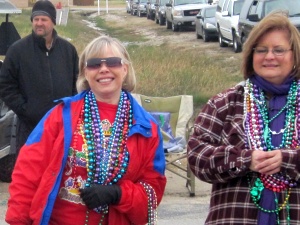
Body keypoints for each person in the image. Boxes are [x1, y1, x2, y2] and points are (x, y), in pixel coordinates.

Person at [5, 35, 167, 225]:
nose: (103, 69)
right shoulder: (60, 116)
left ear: (125, 68)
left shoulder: (147, 128)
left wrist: (118, 194)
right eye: (94, 64)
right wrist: (18, 221)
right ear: (85, 72)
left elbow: (153, 191)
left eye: (113, 62)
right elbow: (28, 171)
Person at [187, 11, 300, 225]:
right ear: (251, 55)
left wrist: (288, 160)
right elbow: (196, 156)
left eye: (278, 50)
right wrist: (246, 159)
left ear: (294, 55)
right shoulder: (226, 103)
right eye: (261, 50)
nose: (269, 56)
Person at [0, 0, 79, 182]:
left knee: (60, 177)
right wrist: (25, 109)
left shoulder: (68, 51)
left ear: (53, 22)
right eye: (36, 19)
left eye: (43, 19)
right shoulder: (18, 51)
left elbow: (77, 83)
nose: (39, 23)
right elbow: (6, 84)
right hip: (30, 127)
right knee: (30, 178)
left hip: (62, 127)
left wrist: (71, 111)